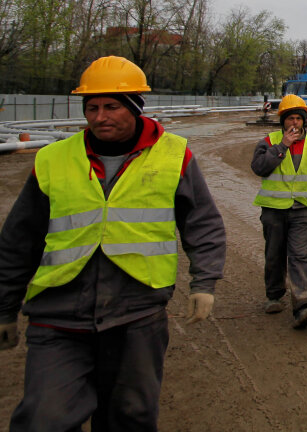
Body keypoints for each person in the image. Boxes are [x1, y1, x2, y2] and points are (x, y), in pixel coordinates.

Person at [0, 55, 226, 431]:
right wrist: (5, 307)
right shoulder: (53, 159)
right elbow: (18, 241)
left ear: (136, 108)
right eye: (92, 107)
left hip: (136, 314)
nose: (100, 116)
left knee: (130, 418)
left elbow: (203, 223)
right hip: (58, 317)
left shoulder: (174, 156)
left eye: (111, 107)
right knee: (43, 419)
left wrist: (204, 282)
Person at [250, 94, 307, 329]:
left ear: (305, 121)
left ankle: (304, 305)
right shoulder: (269, 142)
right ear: (283, 121)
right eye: (291, 119)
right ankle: (274, 295)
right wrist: (283, 147)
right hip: (274, 211)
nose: (295, 124)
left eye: (299, 119)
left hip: (304, 210)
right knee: (275, 255)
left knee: (300, 256)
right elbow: (259, 168)